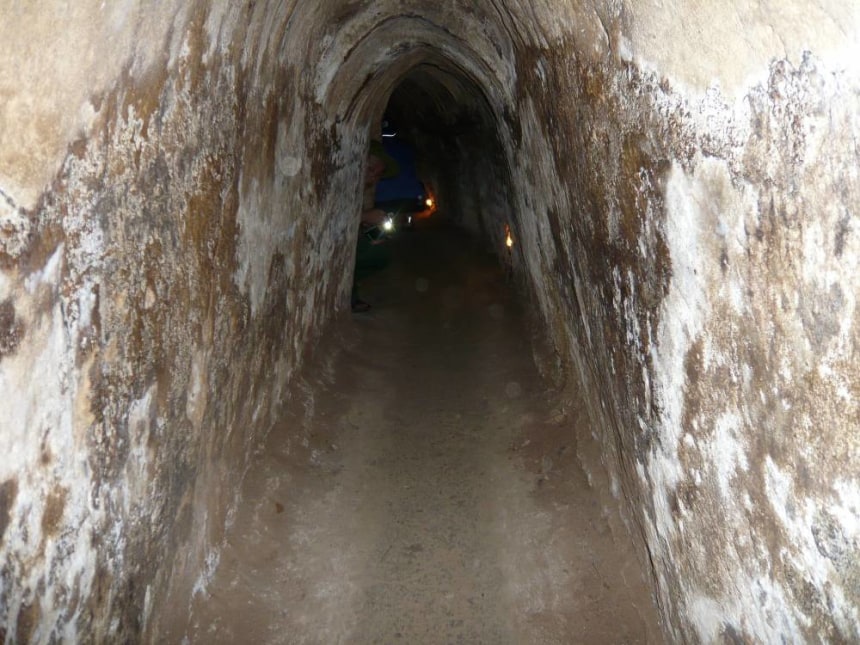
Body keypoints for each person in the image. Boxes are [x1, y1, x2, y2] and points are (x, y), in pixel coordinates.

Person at [351, 140, 399, 312]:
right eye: (370, 170)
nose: (372, 178)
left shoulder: (355, 188)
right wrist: (365, 216)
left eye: (377, 175)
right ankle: (349, 293)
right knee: (376, 255)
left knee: (379, 255)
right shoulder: (337, 181)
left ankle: (349, 288)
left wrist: (367, 226)